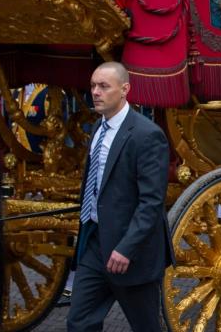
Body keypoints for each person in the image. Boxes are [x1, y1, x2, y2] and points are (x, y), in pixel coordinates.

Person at [68, 61, 173, 331]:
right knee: (79, 322)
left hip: (131, 253)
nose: (96, 92)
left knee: (145, 326)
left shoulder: (147, 135)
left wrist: (127, 247)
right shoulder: (97, 129)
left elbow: (151, 202)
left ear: (125, 89)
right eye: (93, 86)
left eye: (104, 86)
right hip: (94, 243)